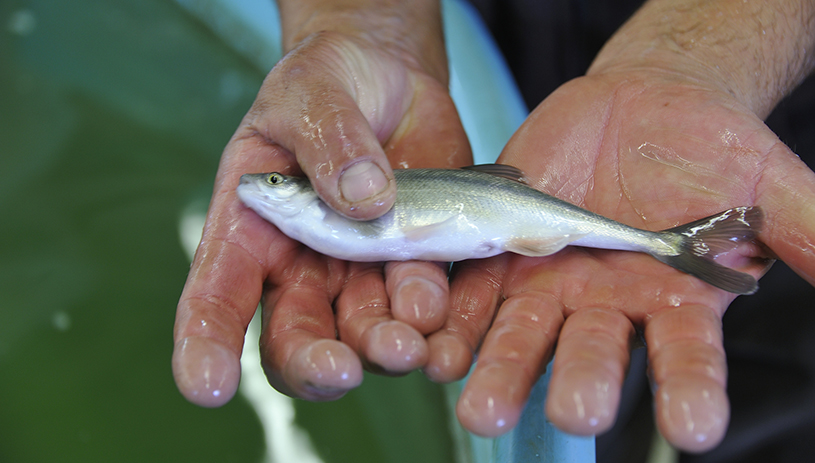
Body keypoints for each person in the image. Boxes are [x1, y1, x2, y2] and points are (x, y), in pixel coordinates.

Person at [172, 0, 815, 455]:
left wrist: (702, 58)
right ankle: (669, 261)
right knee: (588, 397)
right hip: (492, 35)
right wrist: (368, 24)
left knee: (776, 395)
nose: (267, 190)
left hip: (751, 91)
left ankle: (678, 248)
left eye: (280, 185)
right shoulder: (320, 215)